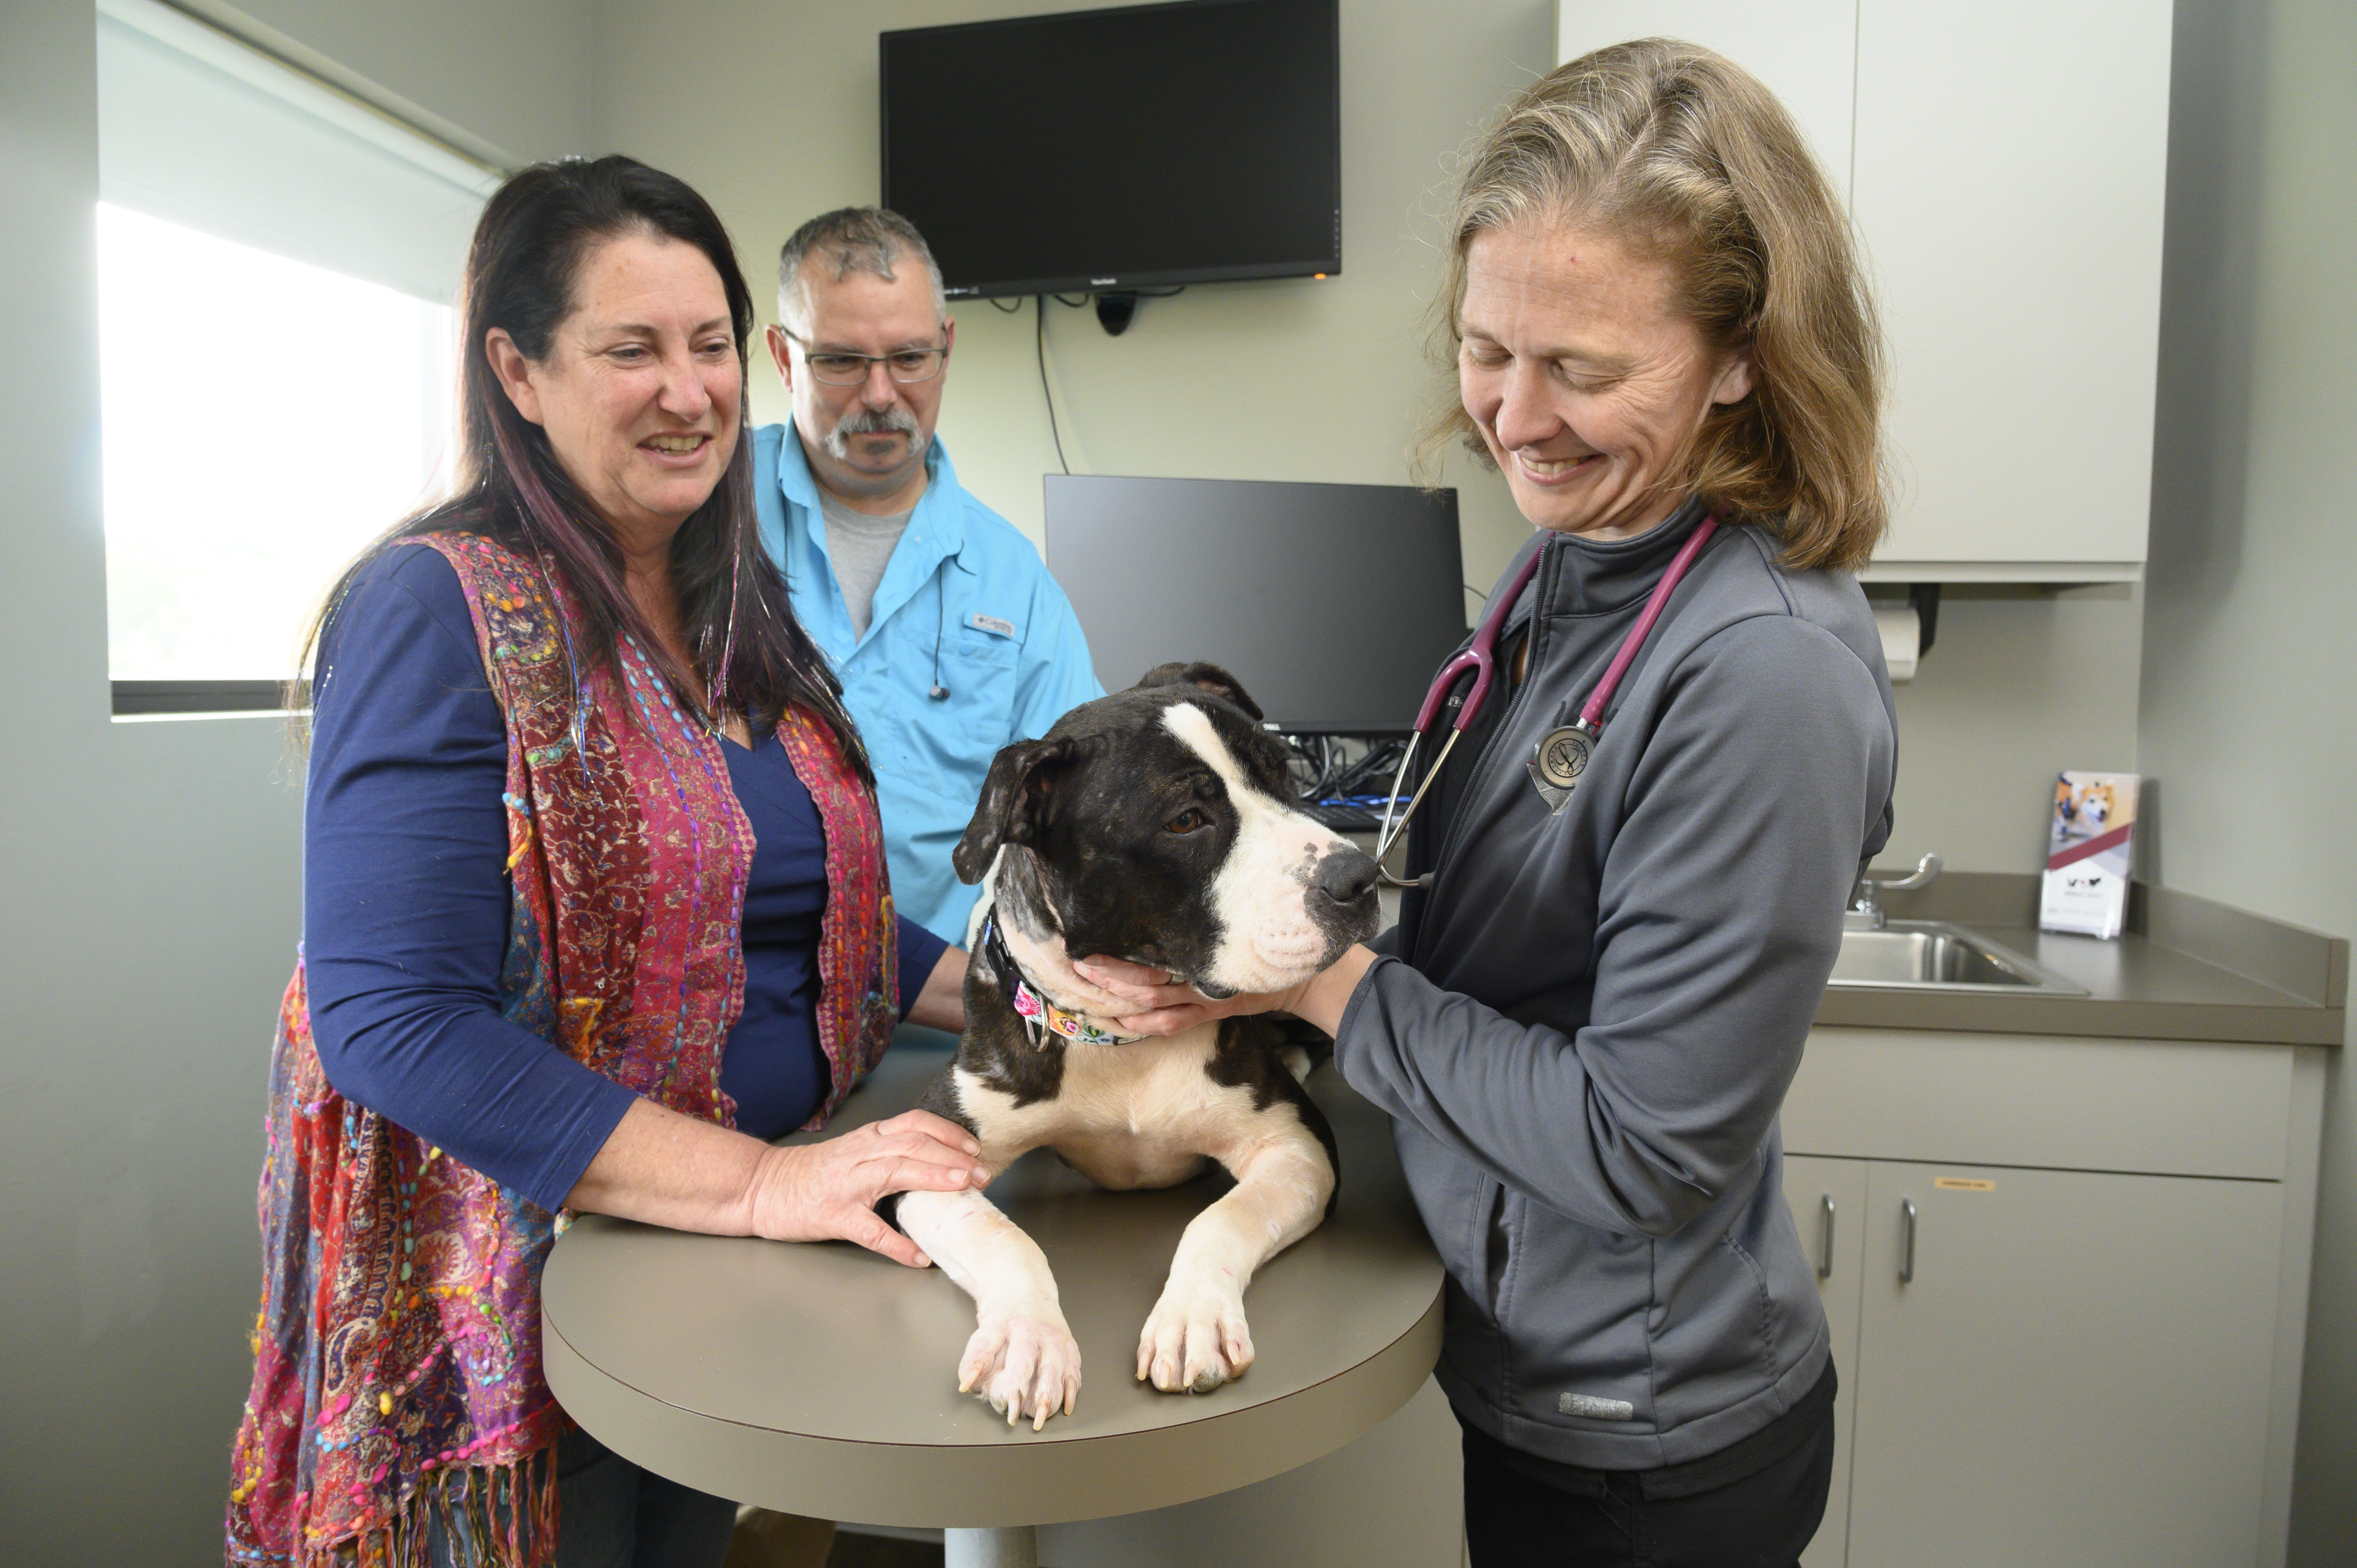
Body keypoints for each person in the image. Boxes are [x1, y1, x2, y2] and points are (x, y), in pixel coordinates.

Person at [1079, 41, 1898, 1568]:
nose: (1515, 417)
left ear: (1741, 356)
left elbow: (1641, 1147)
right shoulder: (1575, 560)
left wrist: (1319, 979)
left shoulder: (1765, 679)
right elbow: (1492, 867)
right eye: (1486, 350)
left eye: (1584, 370)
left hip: (1654, 1455)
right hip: (1530, 1379)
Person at [223, 156, 991, 1568]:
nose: (689, 391)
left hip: (702, 1263)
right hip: (519, 1290)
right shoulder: (436, 606)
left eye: (708, 347)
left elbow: (808, 920)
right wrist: (761, 1188)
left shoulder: (727, 609)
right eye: (630, 349)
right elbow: (390, 1019)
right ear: (516, 372)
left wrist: (1023, 993)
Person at [753, 207, 1103, 946]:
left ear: (947, 347)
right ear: (784, 359)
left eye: (909, 358)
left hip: (947, 1023)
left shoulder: (1013, 580)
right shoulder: (705, 516)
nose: (881, 395)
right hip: (745, 1007)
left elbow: (1083, 803)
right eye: (843, 361)